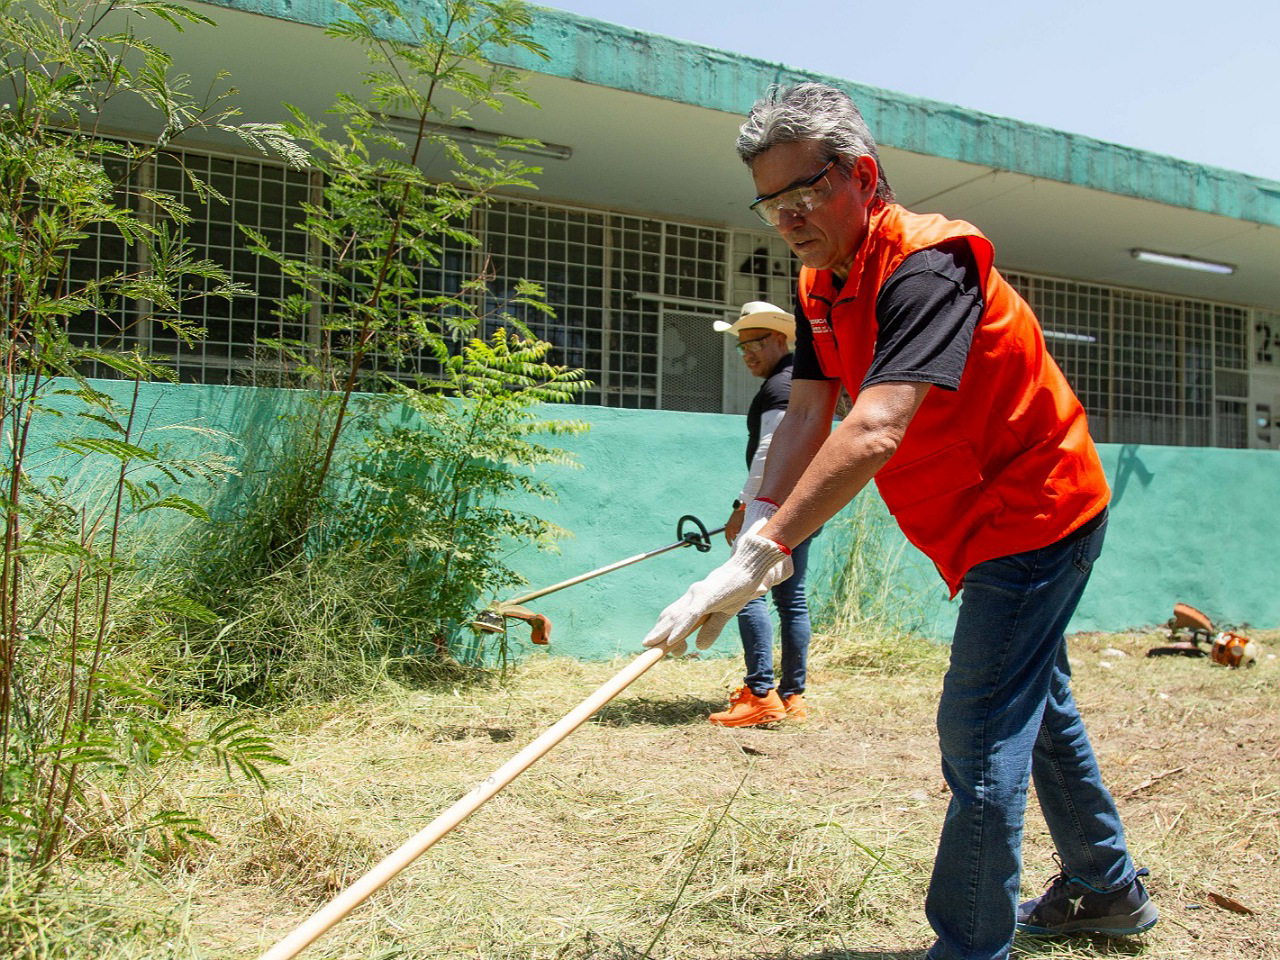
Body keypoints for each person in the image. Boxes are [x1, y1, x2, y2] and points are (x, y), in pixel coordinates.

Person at [643, 82, 1157, 960]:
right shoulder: (818, 282)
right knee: (1035, 703)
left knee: (980, 726)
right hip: (973, 521)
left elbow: (876, 424)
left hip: (1039, 509)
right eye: (769, 203)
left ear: (861, 174)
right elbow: (810, 412)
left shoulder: (931, 262)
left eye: (804, 193)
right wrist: (756, 528)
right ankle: (1106, 888)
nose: (788, 218)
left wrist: (765, 552)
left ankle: (969, 946)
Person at [709, 301, 818, 727]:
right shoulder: (796, 382)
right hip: (803, 504)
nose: (746, 354)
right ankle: (792, 697)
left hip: (772, 506)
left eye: (753, 344)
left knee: (745, 591)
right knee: (790, 598)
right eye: (741, 347)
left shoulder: (780, 386)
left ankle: (759, 694)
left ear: (778, 339)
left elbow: (772, 451)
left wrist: (743, 506)